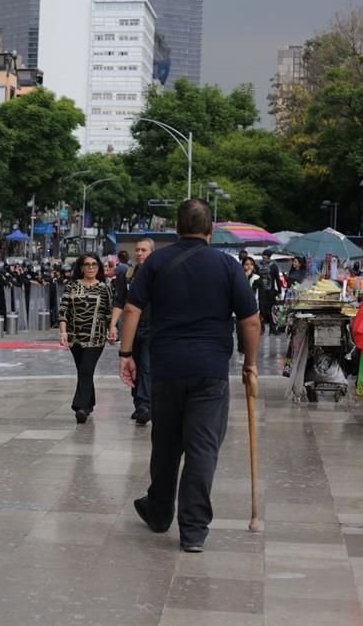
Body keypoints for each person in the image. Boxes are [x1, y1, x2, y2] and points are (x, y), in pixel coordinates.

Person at [119, 198, 259, 553]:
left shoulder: (157, 261)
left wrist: (125, 353)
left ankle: (160, 511)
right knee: (202, 449)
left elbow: (133, 307)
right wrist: (250, 363)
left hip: (166, 368)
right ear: (211, 230)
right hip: (210, 371)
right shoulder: (227, 266)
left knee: (165, 445)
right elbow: (251, 319)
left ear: (176, 229)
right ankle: (193, 530)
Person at [58, 253, 114, 424]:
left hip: (96, 337)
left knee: (86, 369)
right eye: (87, 264)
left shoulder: (105, 288)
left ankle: (80, 406)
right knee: (83, 370)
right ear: (81, 267)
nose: (90, 267)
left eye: (94, 264)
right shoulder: (72, 286)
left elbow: (109, 313)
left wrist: (112, 331)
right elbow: (63, 310)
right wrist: (63, 332)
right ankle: (89, 403)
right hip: (75, 337)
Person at [110, 238, 155, 425]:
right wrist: (112, 325)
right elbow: (119, 301)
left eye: (144, 250)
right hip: (131, 328)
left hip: (152, 326)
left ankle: (145, 403)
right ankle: (139, 402)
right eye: (137, 250)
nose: (139, 253)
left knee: (146, 365)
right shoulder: (128, 275)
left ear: (152, 252)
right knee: (132, 363)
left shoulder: (158, 273)